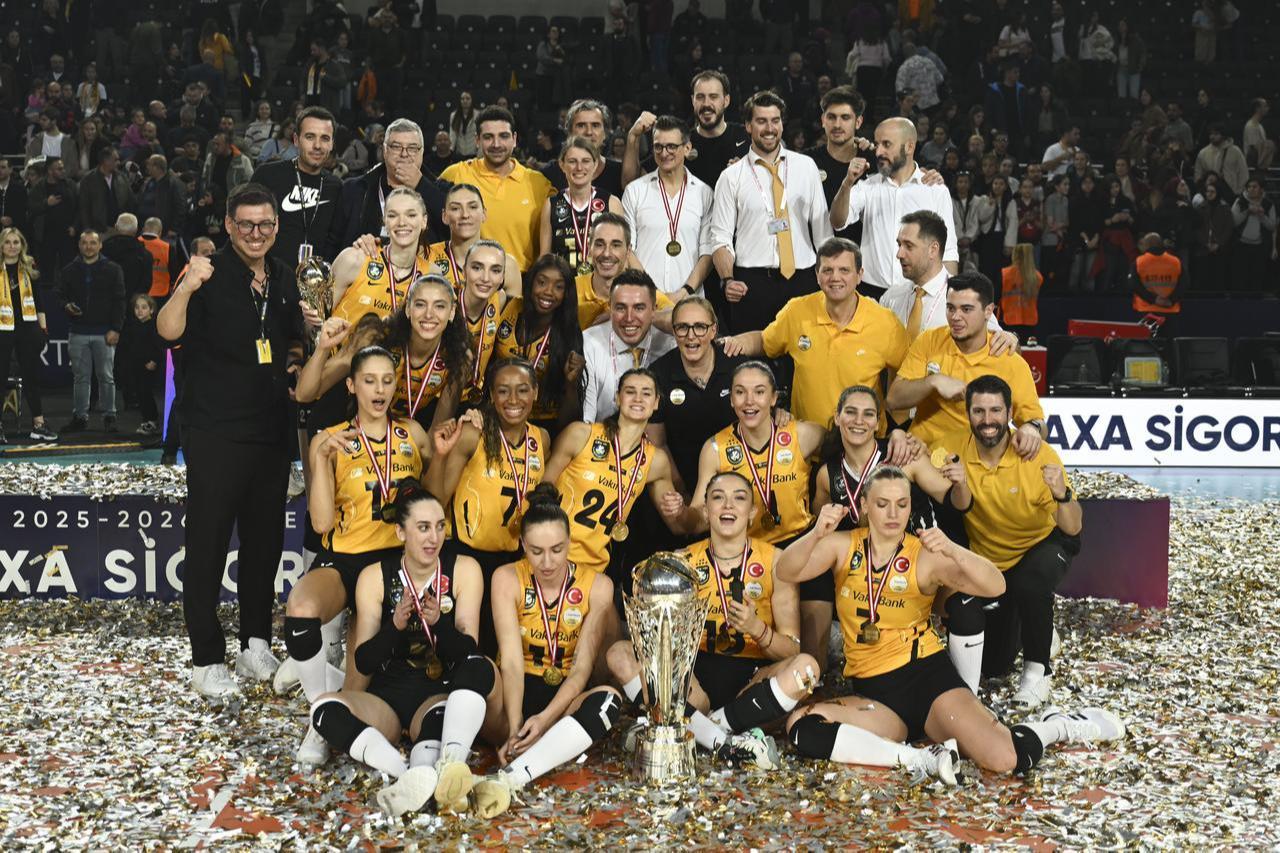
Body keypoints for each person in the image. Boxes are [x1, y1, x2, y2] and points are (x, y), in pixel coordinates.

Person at [779, 467, 1121, 781]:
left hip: (927, 680)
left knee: (1003, 758)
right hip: (875, 693)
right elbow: (786, 571)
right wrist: (815, 534)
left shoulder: (924, 554)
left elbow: (995, 585)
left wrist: (954, 550)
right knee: (802, 726)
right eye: (882, 504)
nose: (893, 514)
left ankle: (1056, 727)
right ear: (865, 505)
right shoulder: (842, 546)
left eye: (901, 504)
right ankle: (918, 759)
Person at [156, 182, 307, 699]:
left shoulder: (285, 276)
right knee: (208, 545)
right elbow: (165, 329)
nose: (256, 233)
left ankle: (255, 644)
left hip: (269, 433)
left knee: (264, 544)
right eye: (245, 224)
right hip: (214, 431)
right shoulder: (205, 271)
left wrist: (296, 352)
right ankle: (205, 660)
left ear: (276, 226)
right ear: (227, 225)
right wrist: (186, 287)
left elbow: (290, 339)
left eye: (265, 224)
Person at [309, 489, 503, 817]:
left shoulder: (464, 569)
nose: (434, 537)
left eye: (440, 526)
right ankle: (403, 773)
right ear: (401, 531)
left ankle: (422, 773)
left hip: (436, 693)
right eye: (423, 527)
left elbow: (469, 653)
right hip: (386, 696)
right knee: (324, 710)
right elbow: (364, 660)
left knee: (437, 724)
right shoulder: (375, 575)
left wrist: (438, 625)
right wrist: (395, 626)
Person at [608, 471, 819, 770]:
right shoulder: (680, 561)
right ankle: (724, 741)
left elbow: (791, 650)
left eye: (739, 498)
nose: (728, 506)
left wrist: (756, 629)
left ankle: (699, 730)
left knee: (807, 668)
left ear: (752, 512)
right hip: (694, 679)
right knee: (619, 653)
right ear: (706, 511)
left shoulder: (775, 561)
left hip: (753, 679)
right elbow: (656, 645)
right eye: (718, 498)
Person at [286, 344, 434, 763]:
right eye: (369, 380)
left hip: (392, 565)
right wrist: (319, 455)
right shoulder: (330, 438)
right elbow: (319, 523)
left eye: (388, 380)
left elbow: (434, 495)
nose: (379, 389)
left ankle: (336, 708)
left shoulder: (414, 435)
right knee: (300, 608)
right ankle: (320, 710)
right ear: (351, 385)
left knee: (359, 661)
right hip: (346, 558)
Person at [928, 374, 1083, 707]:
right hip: (988, 557)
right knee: (995, 665)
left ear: (1010, 412)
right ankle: (1039, 628)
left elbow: (1072, 528)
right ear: (967, 413)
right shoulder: (948, 448)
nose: (988, 420)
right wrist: (905, 441)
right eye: (979, 411)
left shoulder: (1039, 455)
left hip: (1040, 544)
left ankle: (1037, 672)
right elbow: (926, 467)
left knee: (1031, 583)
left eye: (996, 411)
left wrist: (1062, 494)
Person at [469, 484, 622, 819]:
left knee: (609, 699)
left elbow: (582, 670)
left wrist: (545, 720)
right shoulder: (505, 577)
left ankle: (515, 775)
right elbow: (509, 659)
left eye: (557, 549)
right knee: (475, 667)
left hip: (563, 702)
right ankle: (452, 768)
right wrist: (514, 727)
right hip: (515, 692)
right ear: (523, 544)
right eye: (536, 551)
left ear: (570, 543)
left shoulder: (599, 585)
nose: (548, 561)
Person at [683, 360, 837, 666]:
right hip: (748, 553)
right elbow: (697, 516)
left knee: (810, 653)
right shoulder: (715, 448)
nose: (749, 401)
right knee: (757, 642)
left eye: (759, 392)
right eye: (740, 392)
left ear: (773, 398)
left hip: (801, 544)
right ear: (731, 399)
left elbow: (840, 440)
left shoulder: (801, 434)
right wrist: (679, 516)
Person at [720, 238, 910, 428]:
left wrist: (898, 427)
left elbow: (906, 375)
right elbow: (765, 341)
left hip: (863, 445)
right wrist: (737, 342)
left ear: (860, 275)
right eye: (828, 270)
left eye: (844, 270)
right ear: (817, 275)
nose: (835, 277)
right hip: (808, 444)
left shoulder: (885, 323)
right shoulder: (797, 311)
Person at [710, 90, 832, 335]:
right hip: (752, 284)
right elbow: (720, 237)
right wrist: (727, 280)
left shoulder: (806, 167)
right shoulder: (731, 177)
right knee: (752, 364)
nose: (769, 128)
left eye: (775, 121)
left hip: (803, 280)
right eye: (761, 121)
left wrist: (827, 276)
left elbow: (823, 233)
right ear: (747, 125)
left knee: (804, 364)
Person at [545, 368, 687, 574]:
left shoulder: (656, 461)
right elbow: (542, 488)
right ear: (617, 398)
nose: (638, 398)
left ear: (656, 402)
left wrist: (680, 508)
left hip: (595, 569)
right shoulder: (581, 434)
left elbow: (678, 525)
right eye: (630, 391)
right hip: (549, 556)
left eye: (646, 393)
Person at [887, 272, 1045, 453]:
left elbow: (1037, 422)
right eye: (951, 308)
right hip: (924, 455)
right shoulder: (930, 341)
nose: (955, 316)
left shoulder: (1009, 361)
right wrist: (933, 382)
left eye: (966, 309)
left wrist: (1032, 428)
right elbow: (893, 399)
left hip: (979, 460)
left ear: (988, 311)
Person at [812, 385, 968, 537]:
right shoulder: (827, 475)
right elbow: (822, 527)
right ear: (837, 417)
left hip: (924, 553)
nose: (859, 421)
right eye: (851, 412)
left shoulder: (904, 454)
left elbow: (958, 504)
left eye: (868, 414)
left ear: (877, 423)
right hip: (870, 559)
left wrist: (961, 484)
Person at [830, 118, 958, 299]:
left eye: (886, 144)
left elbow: (949, 250)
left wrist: (948, 298)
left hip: (918, 295)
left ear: (909, 147)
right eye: (877, 144)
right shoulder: (868, 186)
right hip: (871, 294)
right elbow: (837, 221)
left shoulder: (935, 190)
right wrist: (847, 183)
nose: (879, 151)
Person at [647, 296, 748, 489]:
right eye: (682, 327)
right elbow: (658, 444)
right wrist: (680, 491)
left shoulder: (736, 364)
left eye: (700, 327)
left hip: (738, 478)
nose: (691, 336)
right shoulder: (659, 374)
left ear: (713, 331)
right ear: (674, 332)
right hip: (683, 482)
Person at [441, 107, 553, 272]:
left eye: (504, 136)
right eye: (488, 137)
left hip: (522, 288)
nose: (496, 144)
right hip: (469, 285)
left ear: (514, 139)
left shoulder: (538, 184)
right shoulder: (457, 174)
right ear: (477, 140)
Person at [883, 211, 1013, 349]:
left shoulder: (967, 298)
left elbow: (1004, 344)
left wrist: (1011, 337)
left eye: (908, 246)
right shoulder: (891, 297)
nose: (899, 254)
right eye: (899, 245)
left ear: (933, 249)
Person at [620, 115, 715, 297]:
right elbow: (627, 249)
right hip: (644, 300)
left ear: (687, 148)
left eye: (671, 146)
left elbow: (708, 252)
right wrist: (652, 292)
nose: (664, 153)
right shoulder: (635, 191)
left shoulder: (704, 193)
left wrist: (684, 292)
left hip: (689, 300)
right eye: (658, 146)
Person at [493, 254, 585, 432]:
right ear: (530, 283)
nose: (548, 292)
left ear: (566, 293)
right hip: (500, 414)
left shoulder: (568, 334)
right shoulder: (508, 307)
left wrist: (571, 384)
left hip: (544, 426)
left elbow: (570, 421)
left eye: (558, 287)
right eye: (541, 282)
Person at [332, 118, 449, 255]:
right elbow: (335, 243)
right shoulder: (354, 189)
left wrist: (421, 184)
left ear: (421, 153)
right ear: (385, 151)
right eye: (396, 147)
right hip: (367, 271)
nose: (404, 154)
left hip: (424, 272)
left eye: (412, 148)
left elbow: (452, 223)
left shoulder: (440, 189)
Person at [579, 269, 676, 422]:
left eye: (639, 308)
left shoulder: (670, 344)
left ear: (654, 310)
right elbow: (586, 423)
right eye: (620, 308)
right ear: (610, 308)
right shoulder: (589, 344)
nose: (629, 318)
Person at [251, 106, 342, 267]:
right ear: (296, 140)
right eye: (310, 137)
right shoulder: (267, 175)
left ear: (332, 144)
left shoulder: (336, 187)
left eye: (325, 138)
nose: (317, 145)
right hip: (268, 279)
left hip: (316, 283)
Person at [330, 188, 435, 325]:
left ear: (424, 221)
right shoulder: (354, 259)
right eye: (393, 215)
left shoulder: (432, 277)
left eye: (411, 215)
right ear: (384, 221)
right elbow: (315, 322)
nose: (402, 222)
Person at [57, 229, 125, 433]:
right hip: (77, 331)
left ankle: (109, 416)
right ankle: (79, 416)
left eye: (93, 243)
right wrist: (66, 306)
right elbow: (59, 294)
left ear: (100, 245)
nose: (89, 246)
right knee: (80, 378)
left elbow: (119, 301)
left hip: (105, 332)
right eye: (85, 243)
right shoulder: (69, 270)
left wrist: (116, 328)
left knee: (106, 376)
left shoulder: (113, 269)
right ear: (79, 245)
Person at [0, 227, 56, 443]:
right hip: (2, 329)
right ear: (2, 245)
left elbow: (39, 301)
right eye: (7, 242)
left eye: (16, 242)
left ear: (22, 245)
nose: (12, 246)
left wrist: (43, 330)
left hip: (28, 327)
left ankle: (39, 425)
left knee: (31, 376)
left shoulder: (30, 267)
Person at [417, 184, 522, 298]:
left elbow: (513, 315)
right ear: (444, 216)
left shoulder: (507, 265)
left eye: (472, 207)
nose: (465, 215)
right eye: (456, 208)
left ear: (484, 214)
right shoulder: (425, 256)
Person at [539, 137, 626, 272]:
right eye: (572, 161)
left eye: (585, 161)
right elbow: (545, 257)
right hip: (565, 288)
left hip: (601, 287)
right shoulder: (551, 205)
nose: (579, 168)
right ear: (562, 165)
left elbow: (622, 255)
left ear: (595, 164)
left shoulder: (611, 202)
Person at [574, 214, 673, 332]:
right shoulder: (570, 289)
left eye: (616, 245)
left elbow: (678, 320)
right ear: (590, 248)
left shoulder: (643, 292)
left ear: (628, 251)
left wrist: (619, 315)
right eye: (600, 244)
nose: (606, 254)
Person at [804, 87, 871, 244]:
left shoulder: (874, 161)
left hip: (863, 259)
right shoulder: (806, 162)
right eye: (831, 117)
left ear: (858, 122)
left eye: (845, 117)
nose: (837, 125)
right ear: (823, 120)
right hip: (816, 257)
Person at [540, 100, 624, 199]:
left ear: (605, 133)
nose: (589, 132)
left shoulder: (619, 173)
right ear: (569, 132)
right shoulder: (550, 173)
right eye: (581, 125)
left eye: (595, 125)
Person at [115, 293, 164, 436]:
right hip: (136, 366)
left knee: (146, 392)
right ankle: (146, 419)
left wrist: (154, 360)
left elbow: (158, 346)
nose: (140, 311)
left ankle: (153, 420)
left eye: (144, 307)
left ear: (151, 310)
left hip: (149, 366)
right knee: (139, 393)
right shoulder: (131, 326)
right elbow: (128, 347)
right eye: (137, 307)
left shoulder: (154, 326)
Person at [1230, 179, 1277, 291]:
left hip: (1259, 247)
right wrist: (1247, 212)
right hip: (1241, 245)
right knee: (1240, 277)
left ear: (1261, 189)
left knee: (1256, 277)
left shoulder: (1268, 204)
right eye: (1249, 187)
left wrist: (1261, 215)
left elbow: (1272, 226)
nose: (1251, 189)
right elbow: (1233, 222)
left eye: (1254, 187)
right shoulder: (1239, 201)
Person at [78, 147, 138, 235]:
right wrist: (88, 231)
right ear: (106, 161)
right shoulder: (88, 180)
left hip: (121, 230)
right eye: (116, 160)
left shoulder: (121, 177)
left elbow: (131, 202)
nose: (118, 163)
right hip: (99, 231)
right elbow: (84, 208)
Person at [1130, 232, 1184, 318]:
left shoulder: (1139, 262)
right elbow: (1184, 284)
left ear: (1147, 245)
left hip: (1146, 310)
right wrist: (1171, 300)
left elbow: (1134, 285)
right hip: (1170, 310)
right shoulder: (1176, 261)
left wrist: (1153, 299)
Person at [1000, 242, 1042, 335]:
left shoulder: (1004, 273)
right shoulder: (1038, 277)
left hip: (1009, 321)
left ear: (1015, 254)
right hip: (1030, 322)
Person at [1193, 126, 1248, 197]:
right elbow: (1198, 175)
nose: (1212, 136)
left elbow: (1243, 173)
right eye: (1211, 134)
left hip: (1232, 192)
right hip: (1210, 194)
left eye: (1216, 134)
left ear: (1223, 135)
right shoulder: (1203, 153)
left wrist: (1240, 191)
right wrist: (1203, 191)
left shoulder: (1235, 151)